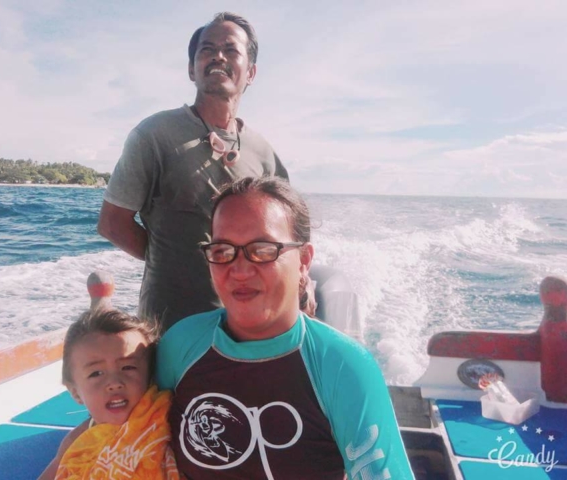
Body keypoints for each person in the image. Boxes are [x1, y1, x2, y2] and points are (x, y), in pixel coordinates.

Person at [156, 177, 415, 479]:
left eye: (263, 249)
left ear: (304, 260)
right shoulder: (180, 345)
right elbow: (131, 441)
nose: (239, 270)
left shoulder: (342, 366)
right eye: (223, 250)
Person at [98, 12, 288, 332]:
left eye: (231, 50)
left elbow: (286, 235)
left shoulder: (265, 154)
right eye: (206, 49)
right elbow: (113, 223)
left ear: (251, 72)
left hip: (248, 325)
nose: (218, 56)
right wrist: (173, 261)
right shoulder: (154, 135)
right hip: (170, 326)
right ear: (191, 69)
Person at [38, 309, 179, 480]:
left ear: (150, 378)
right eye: (96, 373)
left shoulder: (169, 424)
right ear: (75, 392)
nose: (114, 383)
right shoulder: (78, 441)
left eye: (128, 367)